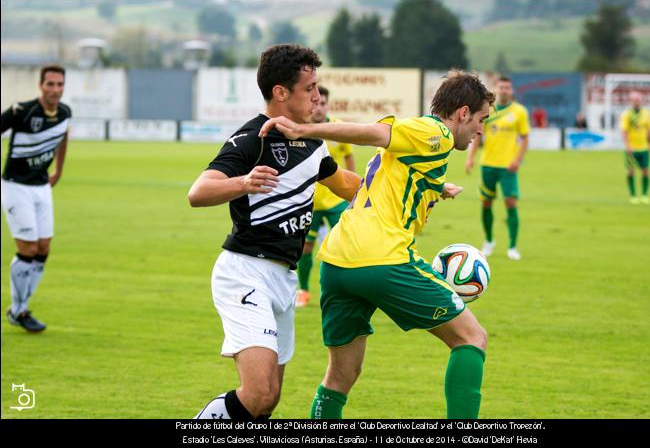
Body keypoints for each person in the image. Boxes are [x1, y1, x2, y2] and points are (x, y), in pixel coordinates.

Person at [260, 69, 495, 419]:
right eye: (481, 119)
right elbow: (375, 133)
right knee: (472, 338)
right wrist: (305, 129)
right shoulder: (436, 131)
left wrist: (436, 187)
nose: (480, 130)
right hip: (382, 258)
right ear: (462, 113)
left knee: (341, 375)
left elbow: (389, 176)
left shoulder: (424, 150)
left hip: (338, 262)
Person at [188, 45, 361, 420]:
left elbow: (347, 185)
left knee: (268, 400)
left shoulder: (313, 141)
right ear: (281, 92)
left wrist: (415, 186)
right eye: (310, 87)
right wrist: (244, 182)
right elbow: (198, 193)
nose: (318, 96)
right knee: (259, 392)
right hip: (245, 273)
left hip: (284, 276)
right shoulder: (252, 138)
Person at [1, 64, 71, 332]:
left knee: (43, 249)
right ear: (40, 85)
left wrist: (60, 170)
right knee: (28, 249)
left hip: (42, 187)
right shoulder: (21, 111)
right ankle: (18, 310)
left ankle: (21, 308)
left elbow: (63, 137)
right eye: (50, 84)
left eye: (59, 84)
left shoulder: (64, 112)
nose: (55, 89)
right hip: (15, 186)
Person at [296, 85, 355, 307]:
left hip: (336, 201)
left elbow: (348, 158)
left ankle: (347, 293)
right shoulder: (301, 128)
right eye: (316, 103)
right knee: (305, 249)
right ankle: (303, 290)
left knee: (346, 246)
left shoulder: (338, 129)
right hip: (310, 202)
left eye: (323, 103)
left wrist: (353, 188)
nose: (319, 108)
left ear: (328, 105)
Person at [465, 76, 529, 261]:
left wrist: (517, 160)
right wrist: (470, 158)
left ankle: (512, 246)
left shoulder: (519, 112)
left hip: (508, 166)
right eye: (501, 87)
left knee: (510, 203)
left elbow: (525, 138)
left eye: (507, 87)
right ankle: (489, 241)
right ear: (496, 89)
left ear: (511, 90)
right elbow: (477, 135)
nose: (504, 90)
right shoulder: (487, 111)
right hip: (488, 165)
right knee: (486, 203)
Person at [621, 91, 650, 205]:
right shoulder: (627, 114)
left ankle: (644, 195)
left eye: (638, 100)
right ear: (631, 101)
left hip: (644, 148)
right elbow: (624, 131)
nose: (637, 102)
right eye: (635, 100)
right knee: (631, 171)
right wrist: (628, 145)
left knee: (646, 171)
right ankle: (633, 196)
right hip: (632, 148)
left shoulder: (646, 113)